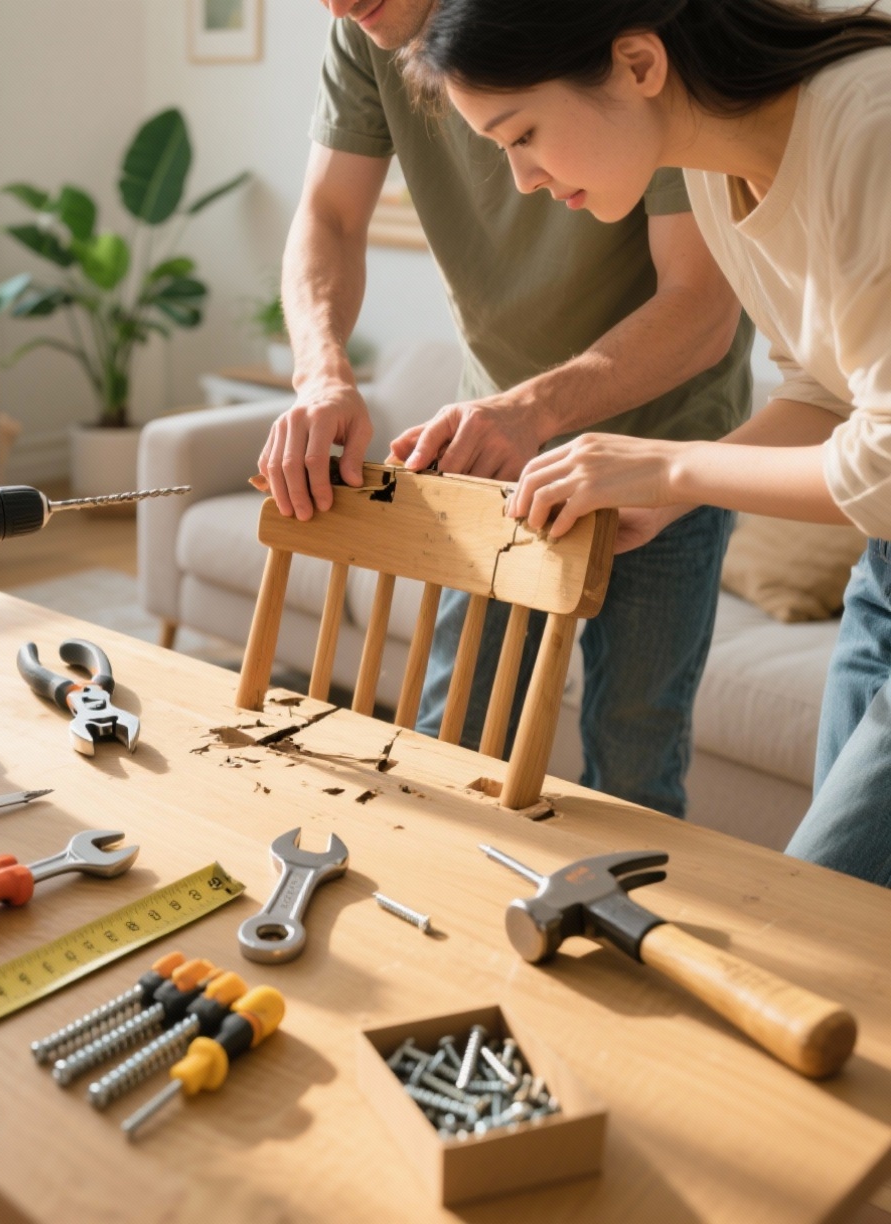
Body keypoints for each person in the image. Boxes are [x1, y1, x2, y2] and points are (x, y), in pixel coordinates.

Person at [409, 0, 891, 886]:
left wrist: (668, 465)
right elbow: (827, 394)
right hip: (883, 576)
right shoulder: (714, 171)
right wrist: (670, 496)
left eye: (523, 135)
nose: (523, 178)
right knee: (852, 918)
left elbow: (885, 464)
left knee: (819, 912)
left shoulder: (870, 123)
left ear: (637, 65)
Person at [257, 0, 754, 819]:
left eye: (522, 137)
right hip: (493, 453)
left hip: (663, 455)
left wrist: (531, 412)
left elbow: (700, 305)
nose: (338, 5)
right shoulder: (364, 25)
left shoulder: (617, 26)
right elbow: (329, 215)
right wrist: (322, 377)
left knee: (636, 763)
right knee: (448, 744)